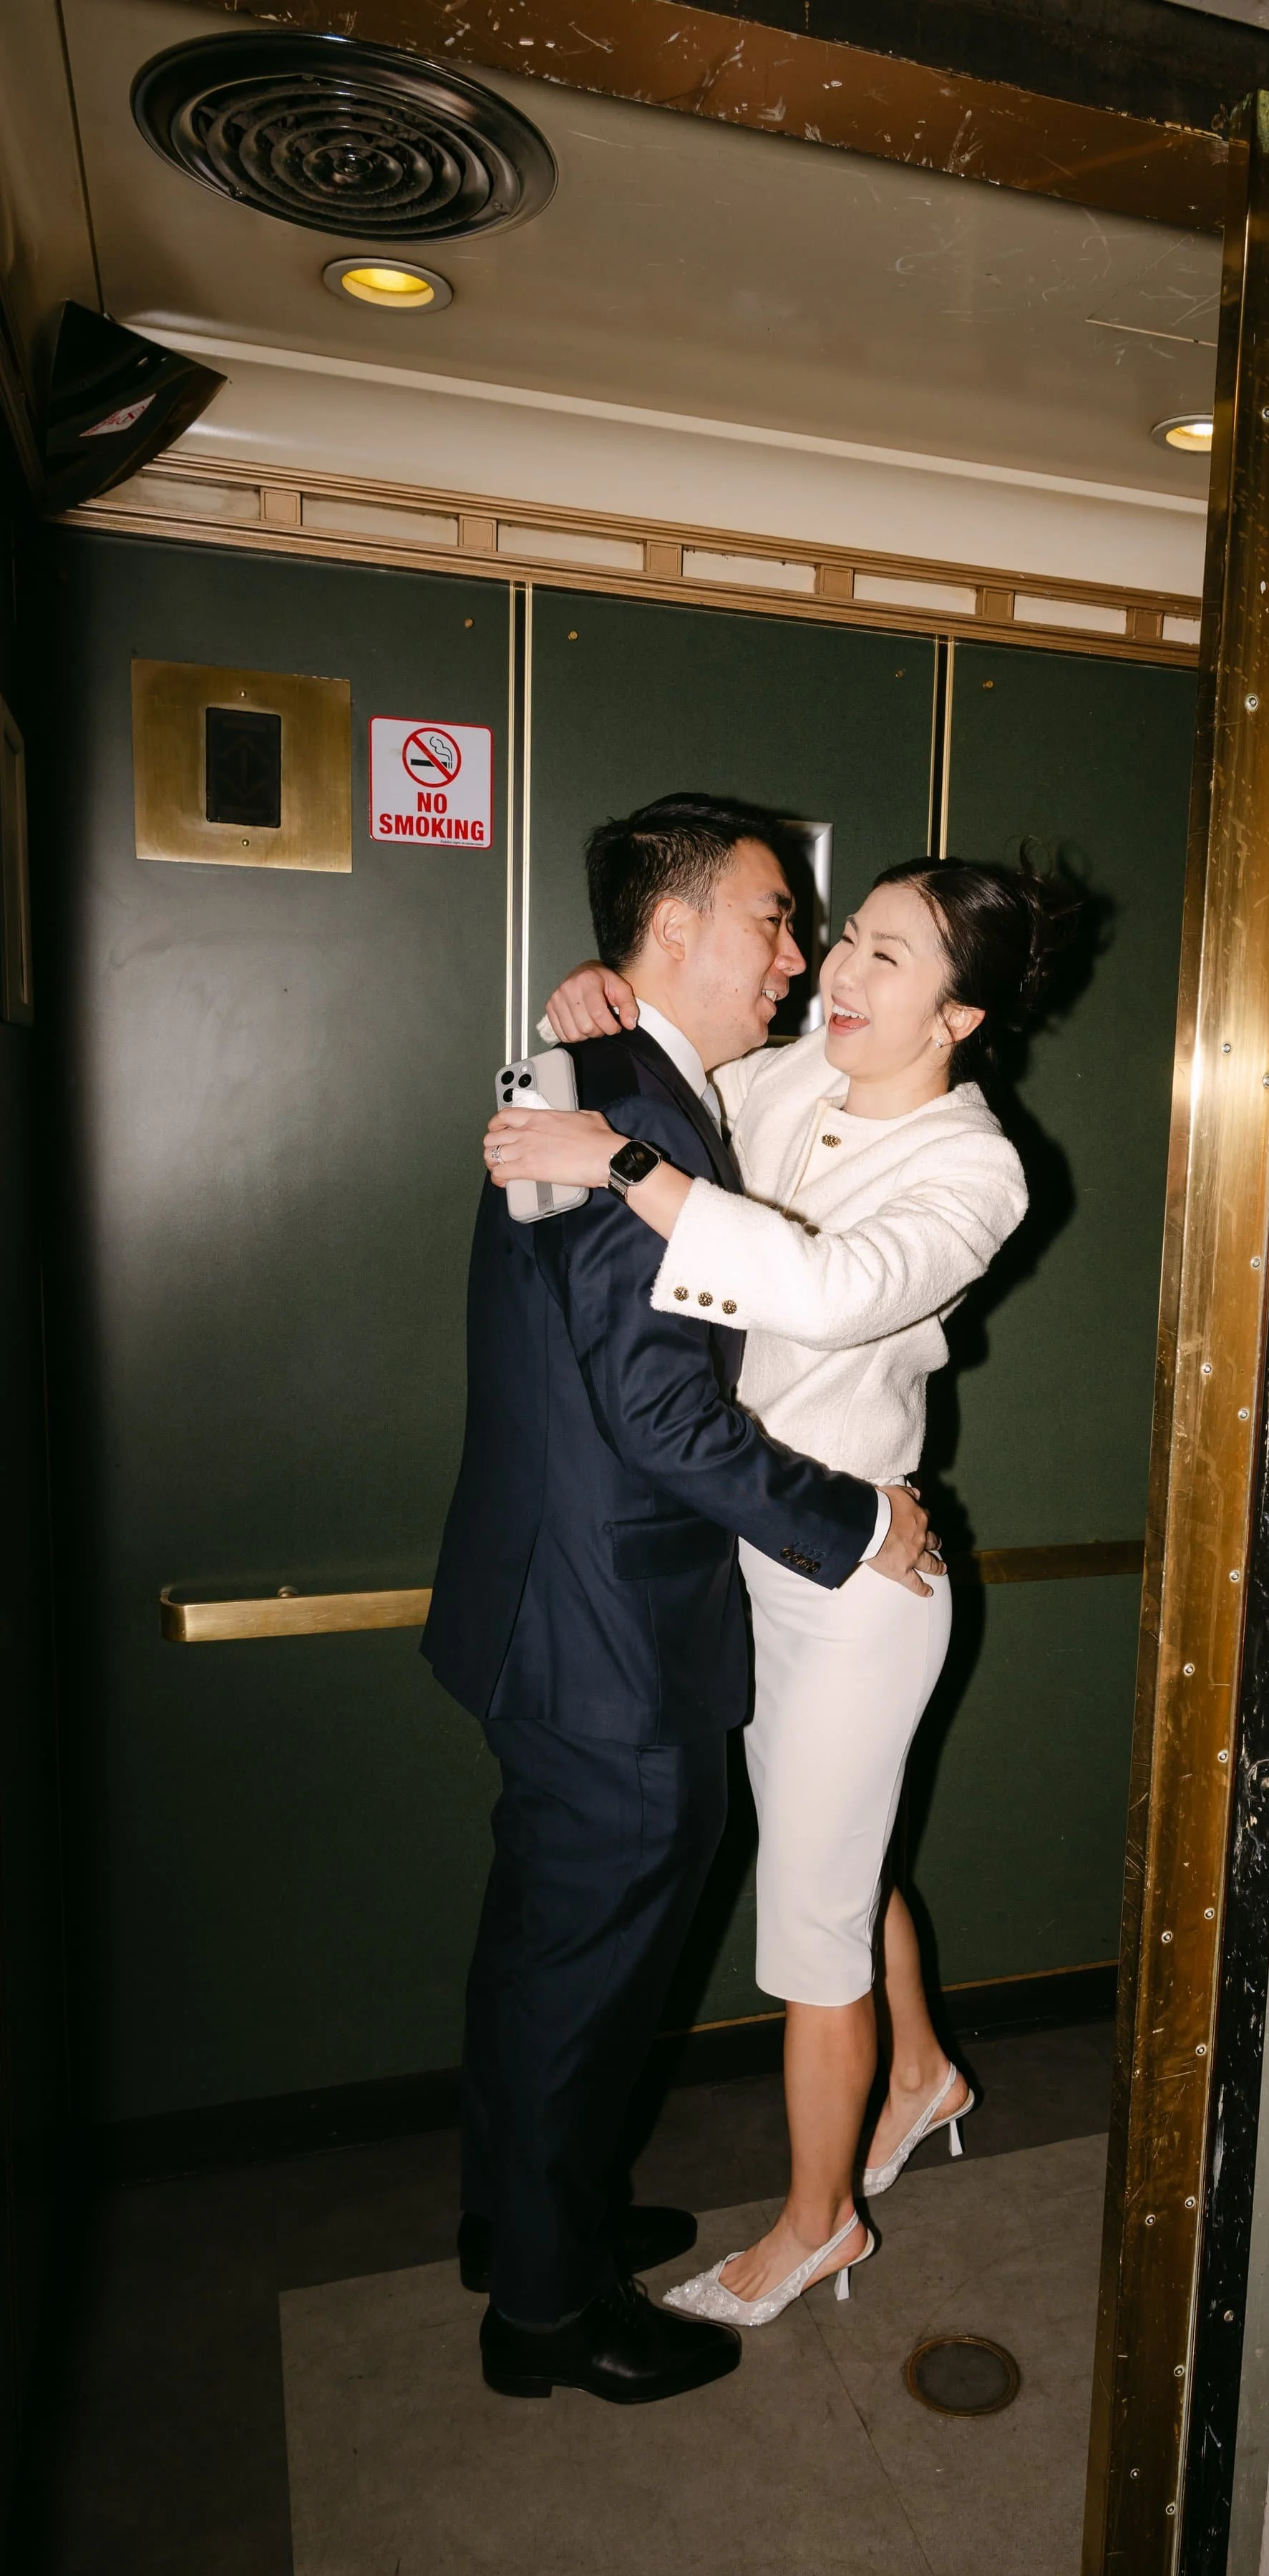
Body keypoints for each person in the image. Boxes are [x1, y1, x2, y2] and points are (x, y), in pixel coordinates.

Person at [484, 839, 1079, 2324]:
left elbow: (820, 1284)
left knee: (809, 1920)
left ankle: (820, 2224)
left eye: (885, 956)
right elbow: (659, 1078)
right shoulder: (788, 1080)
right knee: (834, 1842)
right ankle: (925, 2068)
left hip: (853, 1577)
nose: (832, 970)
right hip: (738, 1550)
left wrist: (621, 1163)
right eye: (843, 938)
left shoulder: (978, 1166)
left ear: (959, 1017)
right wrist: (600, 1018)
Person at [424, 794, 936, 2405]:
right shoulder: (635, 1093)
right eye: (775, 916)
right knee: (581, 1976)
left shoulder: (617, 1080)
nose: (797, 953)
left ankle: (522, 2218)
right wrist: (852, 1524)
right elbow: (661, 1417)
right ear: (673, 933)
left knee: (537, 1953)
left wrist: (582, 1000)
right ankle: (551, 2314)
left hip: (542, 1605)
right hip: (611, 1640)